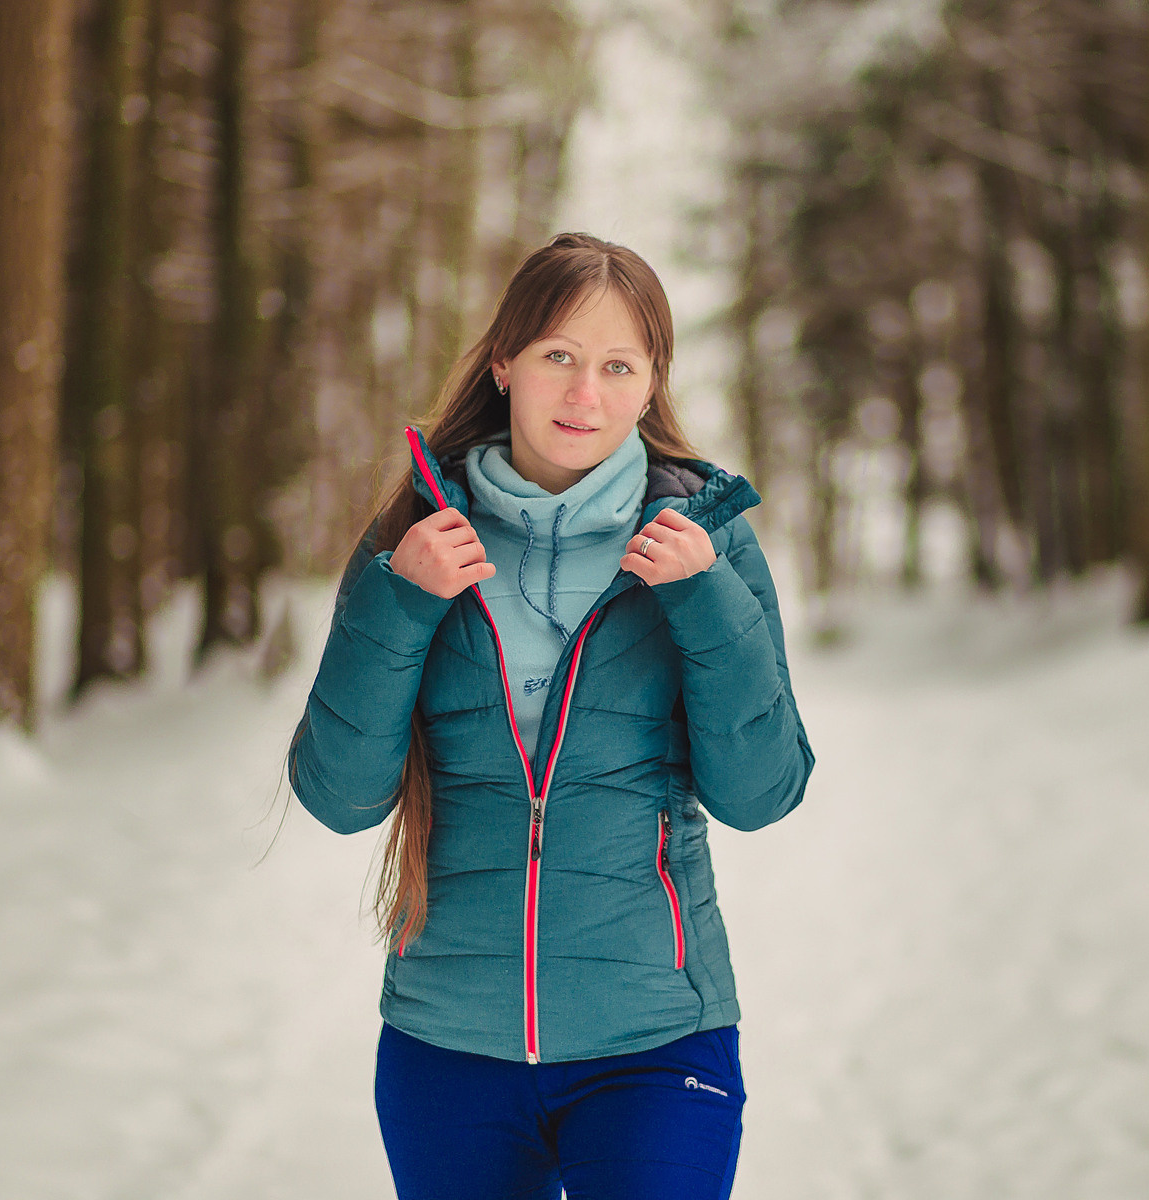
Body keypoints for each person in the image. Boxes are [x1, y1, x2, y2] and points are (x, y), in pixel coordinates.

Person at [287, 232, 815, 1200]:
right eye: (558, 358)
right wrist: (399, 599)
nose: (585, 395)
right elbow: (338, 794)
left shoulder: (706, 539)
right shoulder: (416, 536)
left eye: (618, 366)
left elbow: (763, 792)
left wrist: (705, 601)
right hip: (448, 1044)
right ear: (504, 364)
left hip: (656, 1039)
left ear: (653, 383)